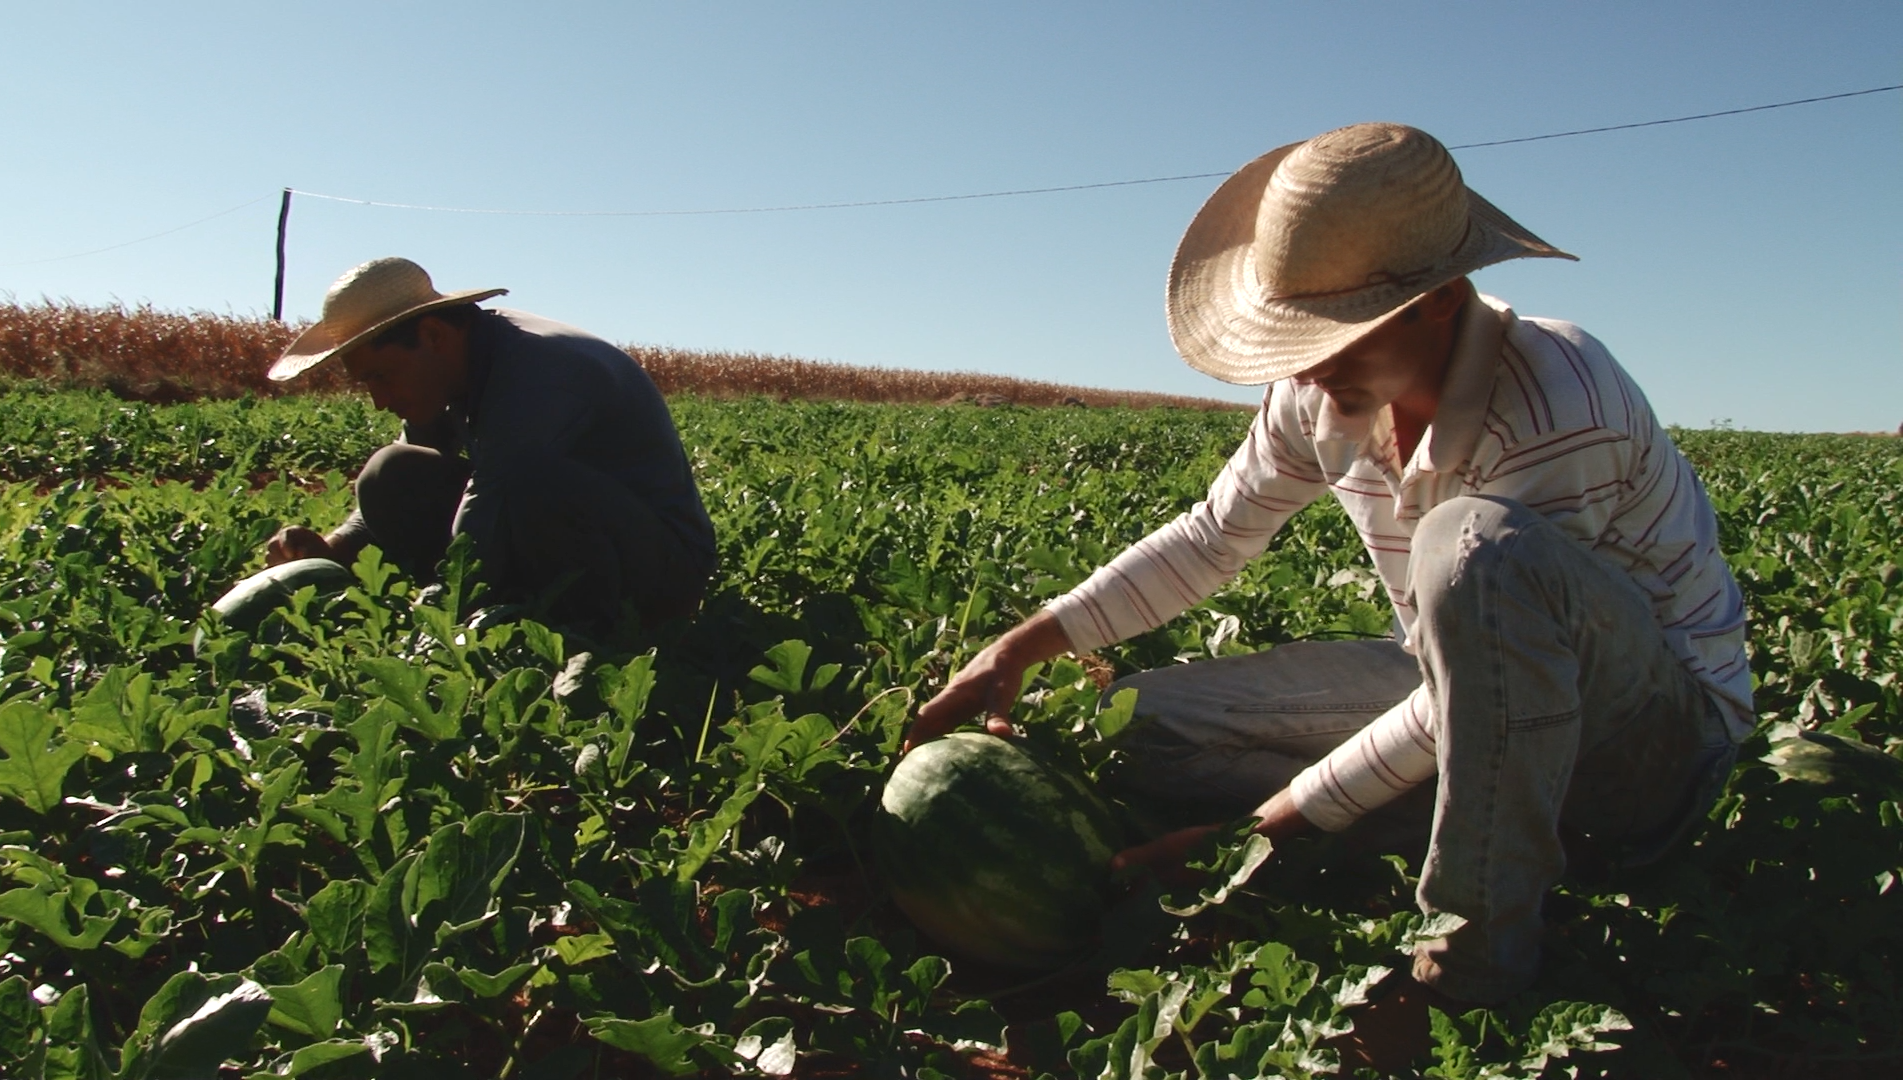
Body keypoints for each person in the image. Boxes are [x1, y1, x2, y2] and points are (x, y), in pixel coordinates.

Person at [905, 123, 1750, 1066]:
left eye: (1334, 338)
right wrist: (1017, 649)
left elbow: (1484, 690)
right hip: (1463, 692)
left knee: (1474, 549)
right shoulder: (1321, 395)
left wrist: (1261, 830)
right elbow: (1211, 537)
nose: (1307, 365)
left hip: (1647, 745)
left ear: (1442, 302)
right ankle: (1443, 837)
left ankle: (1472, 972)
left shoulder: (1559, 400)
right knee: (1138, 725)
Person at [263, 257, 716, 631]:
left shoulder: (540, 368)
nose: (379, 400)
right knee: (392, 472)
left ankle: (584, 633)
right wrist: (335, 547)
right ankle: (515, 613)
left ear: (433, 336)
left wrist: (434, 625)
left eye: (381, 377)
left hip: (662, 570)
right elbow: (405, 480)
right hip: (557, 531)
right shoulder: (453, 364)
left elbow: (491, 502)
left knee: (525, 479)